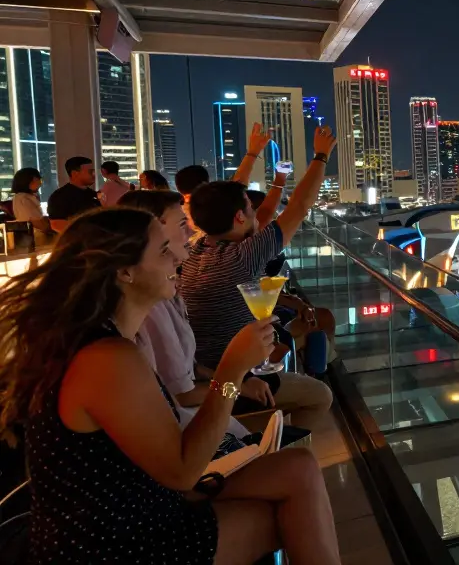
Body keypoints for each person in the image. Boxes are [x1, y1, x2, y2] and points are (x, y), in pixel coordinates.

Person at [0, 208, 340, 564]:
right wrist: (231, 373)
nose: (179, 256)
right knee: (289, 518)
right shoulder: (106, 358)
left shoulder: (105, 341)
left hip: (139, 498)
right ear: (124, 271)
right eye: (164, 250)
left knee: (299, 467)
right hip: (113, 541)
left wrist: (234, 376)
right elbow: (182, 471)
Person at [181, 126, 337, 431]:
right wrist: (321, 155)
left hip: (207, 368)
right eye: (251, 208)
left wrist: (254, 154)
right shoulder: (242, 256)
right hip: (230, 379)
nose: (258, 213)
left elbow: (226, 201)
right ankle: (282, 448)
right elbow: (299, 207)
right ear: (239, 217)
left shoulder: (196, 250)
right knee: (320, 396)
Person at [118, 190, 272, 430]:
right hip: (188, 423)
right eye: (182, 224)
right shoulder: (149, 308)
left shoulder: (167, 292)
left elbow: (188, 369)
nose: (192, 232)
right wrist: (236, 376)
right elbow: (178, 397)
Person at [46, 156, 100, 233]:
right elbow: (56, 224)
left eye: (94, 172)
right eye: (90, 172)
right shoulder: (60, 196)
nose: (94, 175)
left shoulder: (92, 194)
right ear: (75, 174)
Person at [10, 167, 51, 235]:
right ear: (28, 181)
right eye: (38, 179)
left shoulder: (21, 197)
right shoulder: (24, 199)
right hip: (36, 236)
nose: (40, 184)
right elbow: (38, 223)